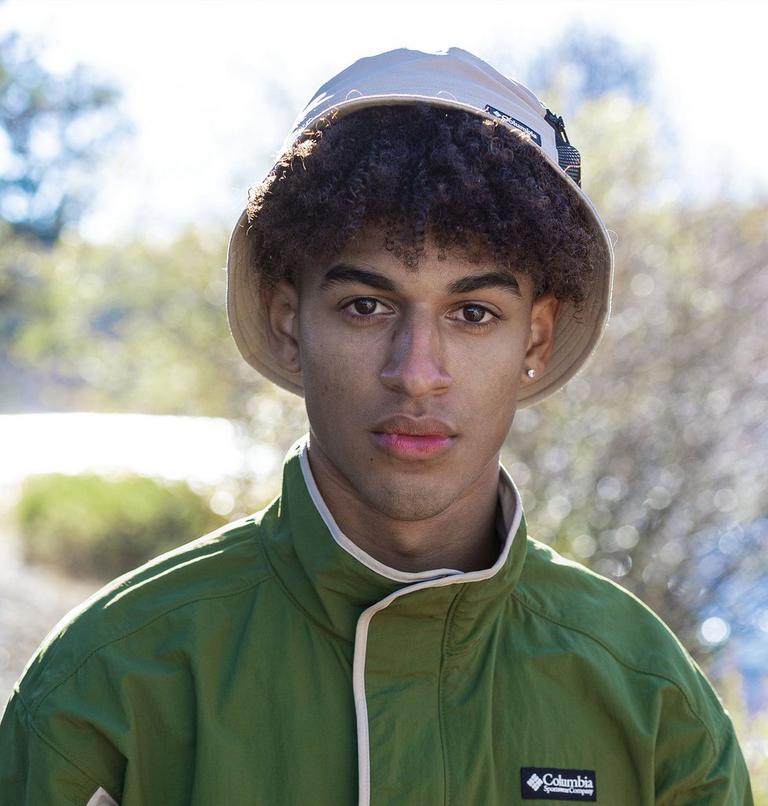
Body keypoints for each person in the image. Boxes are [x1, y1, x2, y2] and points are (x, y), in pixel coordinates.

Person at [0, 47, 753, 805]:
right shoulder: (106, 688)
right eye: (367, 305)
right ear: (290, 322)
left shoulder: (655, 706)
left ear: (536, 340)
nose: (417, 371)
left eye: (473, 313)